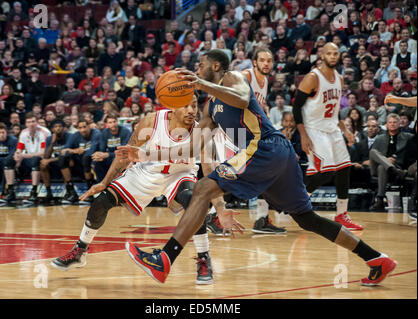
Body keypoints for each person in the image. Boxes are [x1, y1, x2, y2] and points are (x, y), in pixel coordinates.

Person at [120, 48, 397, 286]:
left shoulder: (235, 78)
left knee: (203, 188)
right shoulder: (209, 107)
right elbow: (194, 145)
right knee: (306, 219)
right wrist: (146, 154)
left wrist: (203, 85)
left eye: (200, 64)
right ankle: (377, 259)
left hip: (267, 147)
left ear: (216, 65)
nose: (197, 69)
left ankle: (164, 259)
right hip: (275, 157)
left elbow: (240, 100)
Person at [51, 95, 216, 285]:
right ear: (172, 108)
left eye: (194, 106)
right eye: (185, 106)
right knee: (102, 200)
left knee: (193, 201)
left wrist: (217, 205)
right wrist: (105, 182)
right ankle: (80, 250)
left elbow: (209, 168)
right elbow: (126, 154)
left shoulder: (200, 131)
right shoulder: (152, 121)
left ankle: (204, 259)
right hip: (147, 172)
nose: (191, 111)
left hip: (180, 174)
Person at [207, 48, 286, 234]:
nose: (266, 63)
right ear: (254, 62)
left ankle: (260, 219)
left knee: (264, 171)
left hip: (248, 135)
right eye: (262, 60)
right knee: (233, 176)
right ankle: (213, 215)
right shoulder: (244, 76)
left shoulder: (265, 81)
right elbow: (219, 96)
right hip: (231, 132)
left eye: (269, 60)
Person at [293, 44, 364, 230]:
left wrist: (346, 130)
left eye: (336, 53)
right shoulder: (312, 78)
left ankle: (341, 214)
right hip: (314, 130)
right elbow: (296, 107)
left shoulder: (339, 79)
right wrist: (303, 135)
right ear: (322, 55)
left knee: (344, 169)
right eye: (329, 53)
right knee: (327, 172)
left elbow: (335, 111)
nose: (333, 56)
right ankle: (297, 201)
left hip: (332, 129)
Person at [369, 113, 414, 212]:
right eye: (390, 122)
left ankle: (380, 199)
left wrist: (393, 162)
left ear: (399, 124)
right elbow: (373, 156)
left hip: (397, 167)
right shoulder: (380, 138)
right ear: (386, 124)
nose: (392, 124)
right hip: (381, 168)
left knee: (382, 167)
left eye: (394, 122)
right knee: (373, 152)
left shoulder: (407, 137)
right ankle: (390, 166)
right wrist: (386, 160)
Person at [10, 112, 51, 203]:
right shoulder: (24, 133)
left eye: (33, 121)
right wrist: (17, 155)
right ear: (25, 123)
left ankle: (34, 191)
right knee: (9, 161)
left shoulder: (45, 132)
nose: (31, 124)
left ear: (37, 122)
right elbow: (19, 149)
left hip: (43, 159)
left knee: (35, 161)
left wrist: (23, 155)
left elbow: (42, 153)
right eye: (29, 122)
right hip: (28, 157)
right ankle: (10, 191)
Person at [60, 116, 102, 202]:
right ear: (77, 129)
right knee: (62, 159)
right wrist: (75, 151)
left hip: (94, 162)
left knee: (86, 158)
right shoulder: (75, 135)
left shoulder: (96, 133)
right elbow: (63, 151)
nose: (83, 130)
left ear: (89, 126)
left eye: (84, 127)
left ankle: (90, 190)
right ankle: (71, 191)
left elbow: (92, 151)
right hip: (78, 163)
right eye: (80, 128)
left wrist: (76, 151)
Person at [40, 119, 78, 204]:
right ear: (52, 129)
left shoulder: (70, 136)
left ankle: (70, 192)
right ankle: (49, 193)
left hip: (70, 161)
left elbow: (67, 154)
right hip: (56, 162)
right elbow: (46, 156)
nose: (58, 129)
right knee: (42, 164)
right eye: (56, 127)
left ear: (64, 128)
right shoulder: (49, 139)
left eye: (60, 126)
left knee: (63, 161)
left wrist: (49, 160)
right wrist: (52, 143)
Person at [92, 114, 131, 182]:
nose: (113, 124)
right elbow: (102, 149)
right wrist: (99, 155)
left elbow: (124, 151)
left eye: (114, 121)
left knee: (115, 160)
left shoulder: (125, 131)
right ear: (106, 124)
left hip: (123, 156)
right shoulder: (104, 132)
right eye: (110, 122)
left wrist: (107, 155)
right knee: (97, 162)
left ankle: (116, 183)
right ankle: (101, 184)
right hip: (111, 155)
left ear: (117, 122)